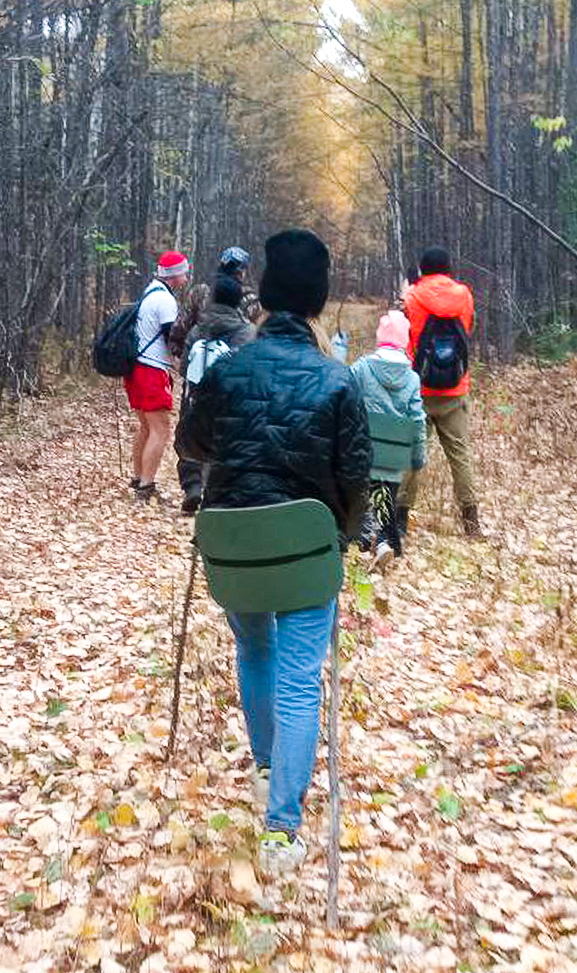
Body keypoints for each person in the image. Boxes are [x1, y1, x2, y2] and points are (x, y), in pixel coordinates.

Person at [175, 228, 371, 876]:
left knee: (254, 649)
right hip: (307, 550)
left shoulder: (230, 370)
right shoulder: (338, 380)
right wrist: (336, 538)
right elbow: (356, 478)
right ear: (317, 301)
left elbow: (192, 446)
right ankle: (282, 829)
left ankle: (265, 769)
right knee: (297, 679)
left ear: (268, 297)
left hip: (234, 547)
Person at [401, 246, 484, 538]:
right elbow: (469, 328)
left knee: (412, 455)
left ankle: (399, 521)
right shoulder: (464, 295)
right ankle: (471, 523)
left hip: (417, 389)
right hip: (455, 388)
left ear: (422, 269)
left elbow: (404, 336)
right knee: (460, 455)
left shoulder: (412, 296)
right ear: (448, 269)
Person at [171, 248, 259, 513]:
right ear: (243, 269)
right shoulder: (252, 300)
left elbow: (181, 327)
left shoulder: (200, 293)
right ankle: (218, 494)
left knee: (189, 429)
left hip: (198, 377)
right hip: (233, 383)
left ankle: (192, 485)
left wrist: (180, 353)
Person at [349, 310, 426, 565]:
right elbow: (417, 420)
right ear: (405, 340)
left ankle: (375, 540)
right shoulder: (412, 378)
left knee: (366, 494)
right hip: (395, 453)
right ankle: (384, 541)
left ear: (379, 338)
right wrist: (418, 456)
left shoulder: (361, 368)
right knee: (385, 495)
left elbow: (343, 395)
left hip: (364, 447)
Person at [128, 251, 188, 503]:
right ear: (175, 275)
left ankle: (138, 478)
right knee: (161, 430)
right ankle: (146, 487)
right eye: (184, 271)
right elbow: (171, 337)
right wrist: (182, 364)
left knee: (146, 427)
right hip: (151, 370)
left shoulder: (150, 292)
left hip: (136, 369)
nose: (186, 276)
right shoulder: (165, 301)